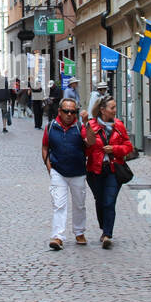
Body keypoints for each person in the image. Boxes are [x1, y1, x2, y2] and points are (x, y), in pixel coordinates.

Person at [41, 97, 96, 250]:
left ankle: (79, 232)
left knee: (79, 204)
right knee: (59, 204)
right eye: (66, 111)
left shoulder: (80, 126)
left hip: (78, 172)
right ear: (60, 111)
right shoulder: (51, 126)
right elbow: (45, 146)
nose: (69, 114)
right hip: (58, 172)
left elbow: (91, 142)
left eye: (73, 112)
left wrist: (87, 123)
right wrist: (49, 167)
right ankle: (57, 236)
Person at [85, 96, 133, 249]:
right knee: (100, 200)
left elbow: (128, 146)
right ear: (102, 110)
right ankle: (103, 227)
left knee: (109, 201)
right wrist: (87, 128)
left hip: (114, 168)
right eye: (112, 108)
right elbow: (87, 147)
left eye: (115, 107)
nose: (115, 110)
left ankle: (107, 234)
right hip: (95, 169)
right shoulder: (91, 125)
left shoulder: (119, 125)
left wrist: (115, 149)